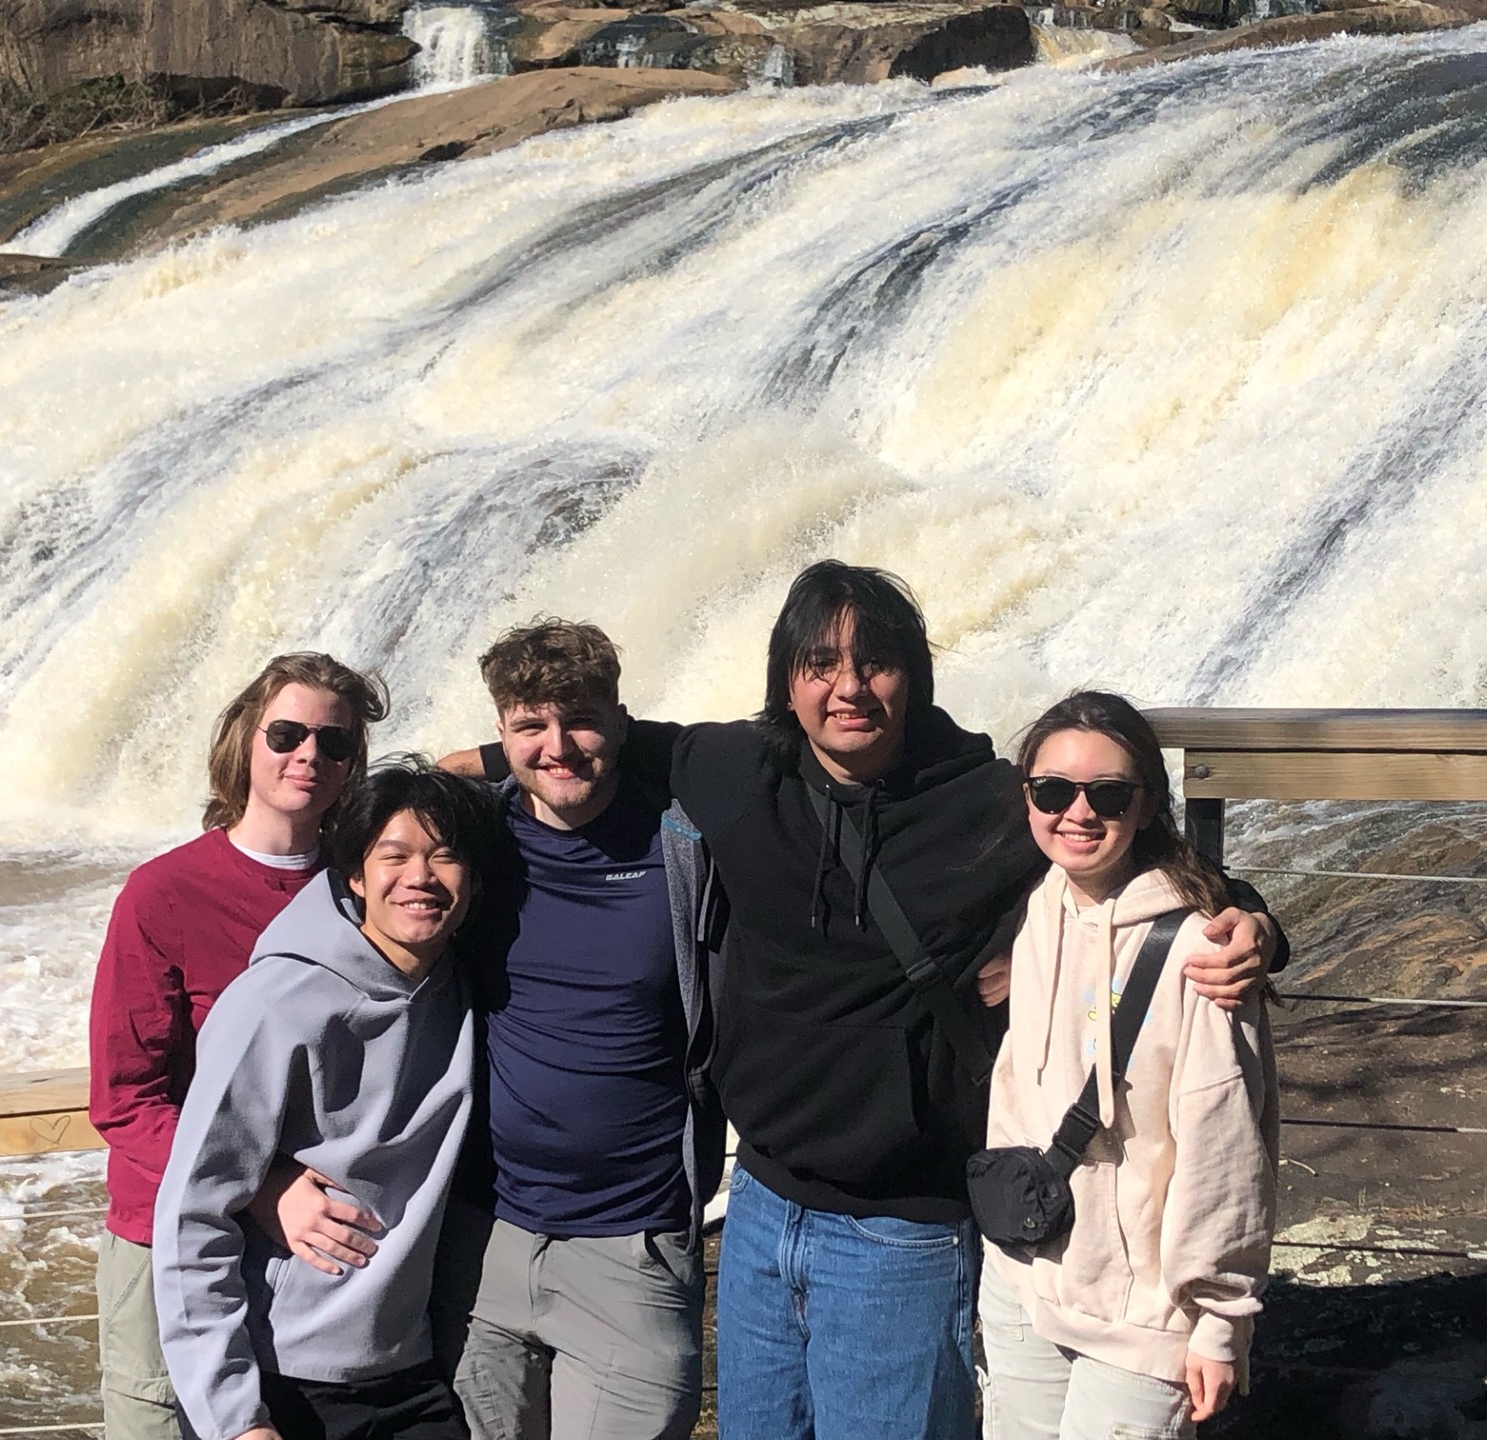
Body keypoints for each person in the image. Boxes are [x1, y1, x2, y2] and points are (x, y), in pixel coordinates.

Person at [454, 561, 1284, 1440]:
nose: (848, 688)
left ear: (913, 675)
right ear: (787, 679)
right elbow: (602, 744)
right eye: (820, 664)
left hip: (905, 1231)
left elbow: (1137, 855)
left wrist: (1256, 927)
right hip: (760, 1209)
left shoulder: (989, 803)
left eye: (874, 663)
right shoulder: (735, 769)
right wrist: (456, 770)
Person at [266, 621, 722, 1440]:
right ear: (502, 731)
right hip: (481, 1242)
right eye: (529, 725)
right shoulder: (473, 839)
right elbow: (353, 923)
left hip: (634, 1245)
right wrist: (275, 1177)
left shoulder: (686, 839)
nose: (559, 747)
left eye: (581, 718)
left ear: (621, 721)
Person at [152, 759, 500, 1440]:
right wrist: (236, 1419)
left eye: (446, 857)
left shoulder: (462, 986)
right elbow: (192, 1216)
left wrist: (463, 763)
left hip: (415, 1372)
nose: (420, 878)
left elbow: (554, 762)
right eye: (394, 856)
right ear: (354, 876)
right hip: (284, 1381)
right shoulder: (274, 1005)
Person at [88, 653, 387, 1440]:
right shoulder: (164, 893)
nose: (309, 756)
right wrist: (260, 1189)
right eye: (286, 733)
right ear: (244, 742)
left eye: (335, 743)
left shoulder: (368, 889)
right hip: (170, 1235)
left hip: (311, 1254)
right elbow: (125, 1100)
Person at [980, 691, 1275, 1440]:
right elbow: (1018, 1083)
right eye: (1052, 791)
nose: (1077, 813)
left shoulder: (1203, 951)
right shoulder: (1043, 903)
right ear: (1027, 797)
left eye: (1108, 795)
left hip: (1146, 1314)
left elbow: (1227, 1147)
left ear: (1147, 806)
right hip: (1025, 1277)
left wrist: (1217, 1317)